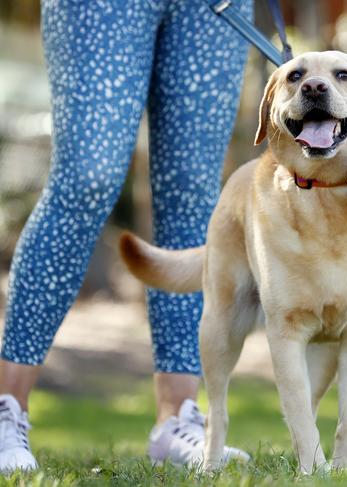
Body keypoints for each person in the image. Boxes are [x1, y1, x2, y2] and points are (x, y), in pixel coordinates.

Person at [0, 0, 253, 471]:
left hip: (213, 9)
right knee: (85, 177)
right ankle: (7, 409)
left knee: (192, 194)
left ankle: (177, 421)